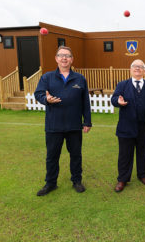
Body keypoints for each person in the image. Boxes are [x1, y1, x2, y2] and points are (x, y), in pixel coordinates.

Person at [34, 46, 92, 196]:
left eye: (67, 56)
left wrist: (87, 121)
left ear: (72, 59)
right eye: (61, 55)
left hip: (74, 125)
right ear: (56, 58)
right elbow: (38, 94)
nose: (64, 58)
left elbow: (85, 101)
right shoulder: (47, 77)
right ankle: (51, 183)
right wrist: (46, 99)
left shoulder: (80, 79)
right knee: (52, 156)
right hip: (54, 125)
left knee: (76, 155)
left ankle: (77, 181)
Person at [111, 59, 145, 192]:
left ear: (144, 71)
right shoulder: (122, 85)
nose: (137, 69)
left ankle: (143, 175)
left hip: (144, 127)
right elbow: (113, 99)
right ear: (130, 69)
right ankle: (122, 179)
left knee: (143, 152)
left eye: (140, 67)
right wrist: (118, 101)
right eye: (135, 66)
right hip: (126, 127)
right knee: (125, 154)